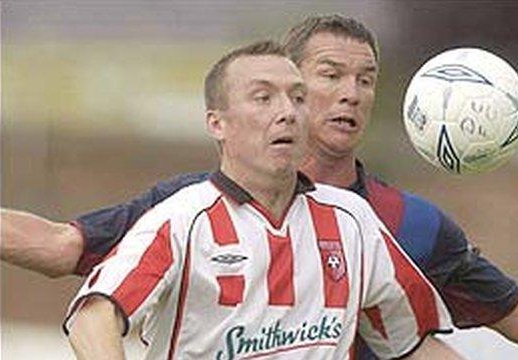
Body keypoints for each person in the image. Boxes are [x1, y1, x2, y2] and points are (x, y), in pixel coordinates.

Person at [0, 14, 518, 360]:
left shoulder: (392, 224)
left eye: (366, 80)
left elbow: (487, 325)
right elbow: (68, 265)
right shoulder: (182, 212)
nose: (351, 94)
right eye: (329, 76)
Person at [62, 40, 454, 360]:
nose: (287, 112)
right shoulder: (182, 220)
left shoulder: (351, 220)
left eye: (298, 98)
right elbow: (93, 319)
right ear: (217, 123)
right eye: (263, 98)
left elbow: (411, 346)